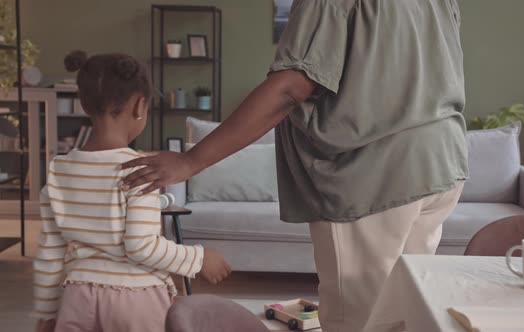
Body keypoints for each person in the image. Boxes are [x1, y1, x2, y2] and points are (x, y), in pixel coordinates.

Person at [121, 0, 467, 331]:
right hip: (439, 163)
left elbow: (290, 88)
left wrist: (190, 161)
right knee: (403, 312)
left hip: (372, 176)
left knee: (358, 321)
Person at [32, 51, 231, 332]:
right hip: (135, 299)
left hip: (77, 298)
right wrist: (198, 259)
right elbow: (142, 246)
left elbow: (50, 253)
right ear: (140, 106)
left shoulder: (58, 171)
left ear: (85, 105)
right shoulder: (142, 170)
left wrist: (47, 314)